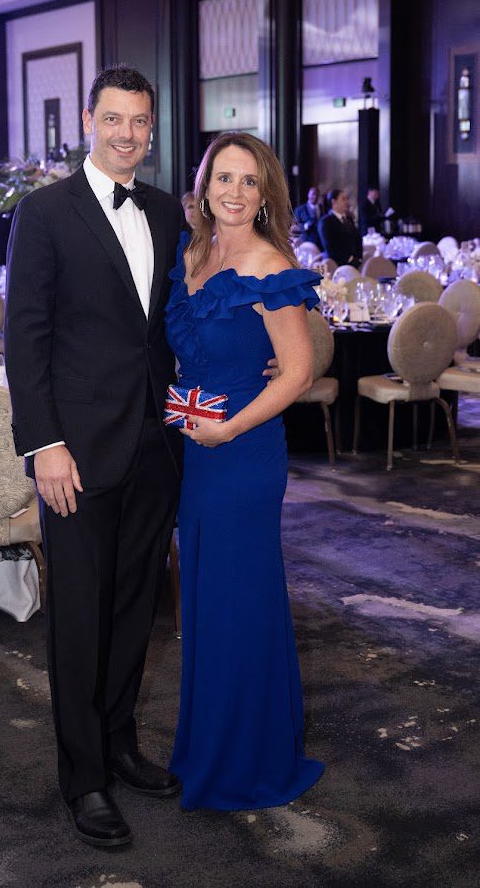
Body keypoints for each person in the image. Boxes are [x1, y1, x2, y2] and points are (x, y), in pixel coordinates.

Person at [4, 65, 186, 848]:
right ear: (88, 120)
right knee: (79, 616)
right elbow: (25, 338)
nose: (127, 134)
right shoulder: (45, 212)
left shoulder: (166, 209)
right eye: (114, 119)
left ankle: (119, 743)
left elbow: (168, 326)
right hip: (74, 454)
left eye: (139, 121)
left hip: (154, 443)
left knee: (134, 607)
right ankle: (83, 778)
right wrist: (44, 444)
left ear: (151, 126)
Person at [165, 131, 324, 810]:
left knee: (238, 600)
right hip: (193, 449)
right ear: (204, 187)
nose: (234, 192)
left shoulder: (269, 265)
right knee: (205, 599)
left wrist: (229, 428)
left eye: (249, 181)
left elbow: (298, 372)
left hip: (243, 452)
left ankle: (246, 760)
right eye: (223, 178)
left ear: (265, 195)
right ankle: (212, 747)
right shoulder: (192, 253)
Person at [318, 189, 361, 266]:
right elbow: (330, 247)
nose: (347, 202)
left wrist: (358, 258)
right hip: (336, 265)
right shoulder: (326, 222)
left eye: (347, 199)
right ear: (334, 202)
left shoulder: (348, 219)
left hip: (354, 263)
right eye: (343, 199)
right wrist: (348, 259)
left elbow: (357, 239)